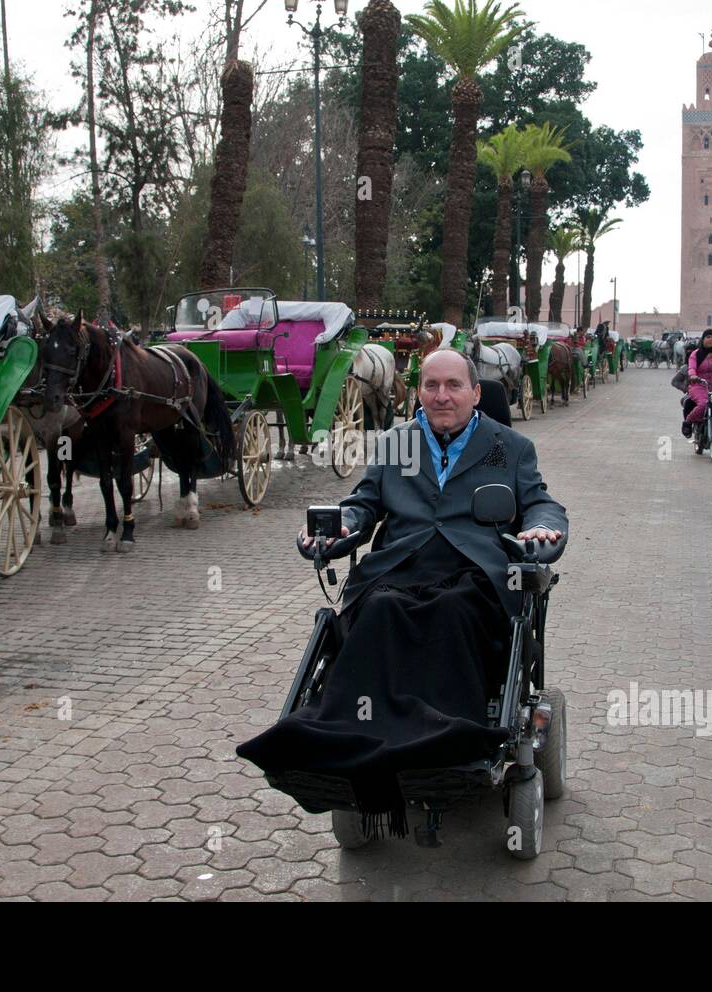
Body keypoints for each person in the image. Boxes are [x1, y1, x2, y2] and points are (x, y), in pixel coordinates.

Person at [238, 349, 568, 835]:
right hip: (401, 566)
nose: (442, 395)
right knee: (378, 609)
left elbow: (539, 502)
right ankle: (352, 735)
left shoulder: (510, 447)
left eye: (454, 385)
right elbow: (363, 503)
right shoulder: (397, 443)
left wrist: (540, 529)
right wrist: (337, 529)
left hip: (473, 570)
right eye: (431, 386)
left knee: (454, 611)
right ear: (419, 392)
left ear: (476, 393)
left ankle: (451, 741)